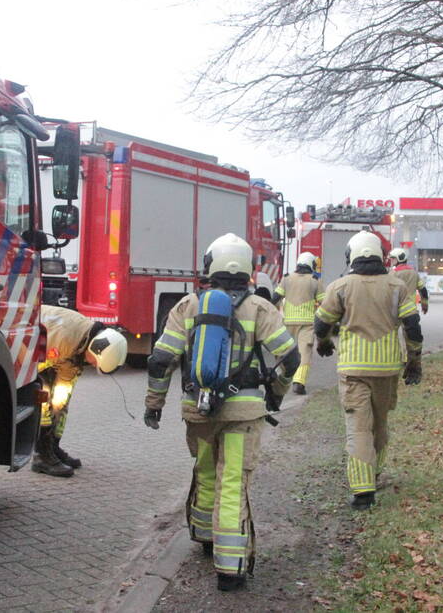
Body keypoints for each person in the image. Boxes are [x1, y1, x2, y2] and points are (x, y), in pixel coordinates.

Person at [143, 233, 300, 591]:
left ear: (209, 265)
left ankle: (203, 535)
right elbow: (290, 357)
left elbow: (160, 361)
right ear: (247, 268)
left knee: (205, 470)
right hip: (243, 414)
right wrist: (276, 394)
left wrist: (154, 405)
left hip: (197, 413)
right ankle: (230, 570)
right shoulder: (261, 308)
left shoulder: (187, 306)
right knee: (232, 482)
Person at [314, 232, 423, 510]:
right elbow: (412, 325)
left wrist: (324, 342)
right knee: (380, 423)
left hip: (354, 369)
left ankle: (363, 491)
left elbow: (322, 322)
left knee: (359, 427)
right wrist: (414, 360)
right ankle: (373, 473)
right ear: (379, 255)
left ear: (351, 256)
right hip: (387, 369)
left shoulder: (340, 286)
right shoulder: (397, 286)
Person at [34, 305, 128, 477]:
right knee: (43, 398)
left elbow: (65, 383)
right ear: (95, 350)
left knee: (61, 400)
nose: (92, 365)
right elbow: (30, 368)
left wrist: (59, 402)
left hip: (50, 353)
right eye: (94, 363)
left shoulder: (81, 344)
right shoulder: (65, 339)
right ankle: (42, 456)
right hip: (33, 354)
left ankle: (53, 447)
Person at [273, 252, 326, 394]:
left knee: (284, 351)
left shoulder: (287, 279)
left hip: (288, 322)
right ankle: (299, 383)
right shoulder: (315, 280)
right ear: (311, 264)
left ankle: (281, 378)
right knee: (304, 353)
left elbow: (275, 297)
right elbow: (325, 304)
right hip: (307, 324)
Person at [388, 247, 428, 314]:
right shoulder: (414, 273)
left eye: (393, 258)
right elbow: (423, 290)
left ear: (399, 258)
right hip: (411, 311)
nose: (391, 260)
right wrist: (425, 306)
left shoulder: (393, 273)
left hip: (396, 311)